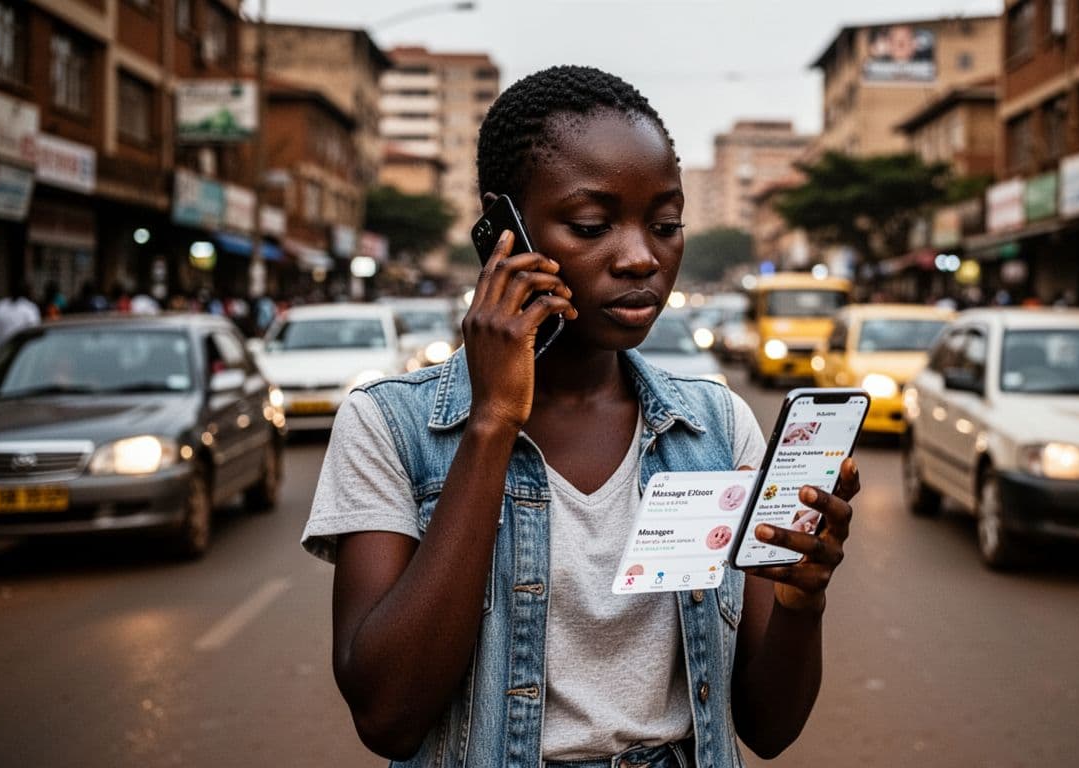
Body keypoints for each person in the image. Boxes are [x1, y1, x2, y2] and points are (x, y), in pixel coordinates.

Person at [301, 65, 860, 768]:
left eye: (665, 225)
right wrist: (492, 423)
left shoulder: (717, 428)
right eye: (592, 225)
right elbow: (387, 717)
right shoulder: (390, 429)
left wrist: (804, 603)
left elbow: (769, 728)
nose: (640, 258)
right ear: (501, 229)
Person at [0, 281, 41, 350]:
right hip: (18, 353)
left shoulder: (0, 306)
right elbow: (35, 336)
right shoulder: (29, 308)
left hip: (4, 354)